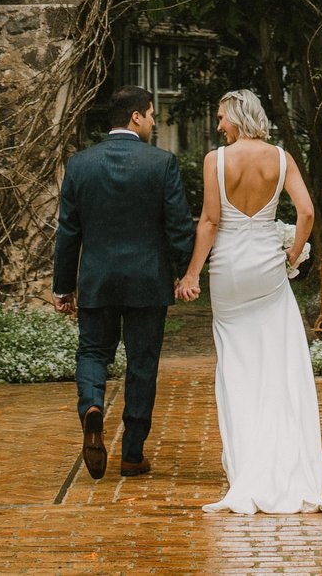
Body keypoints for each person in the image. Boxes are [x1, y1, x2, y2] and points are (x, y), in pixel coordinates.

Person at [175, 87, 322, 514]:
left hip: (228, 271)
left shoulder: (216, 160)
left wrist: (192, 273)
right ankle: (281, 453)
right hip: (267, 268)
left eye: (221, 117)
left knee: (236, 365)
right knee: (276, 362)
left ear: (237, 117)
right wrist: (295, 251)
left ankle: (245, 463)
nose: (218, 124)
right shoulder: (281, 159)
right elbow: (306, 212)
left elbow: (210, 220)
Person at [53, 84, 196, 480]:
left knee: (93, 352)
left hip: (97, 279)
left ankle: (92, 407)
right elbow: (180, 227)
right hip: (148, 282)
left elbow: (68, 231)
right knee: (142, 365)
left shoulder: (79, 164)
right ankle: (132, 455)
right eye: (151, 114)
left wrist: (63, 287)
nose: (153, 121)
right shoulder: (161, 163)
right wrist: (188, 270)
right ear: (136, 116)